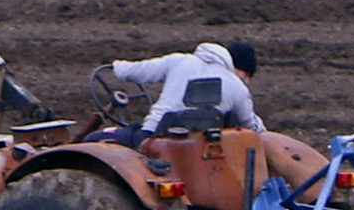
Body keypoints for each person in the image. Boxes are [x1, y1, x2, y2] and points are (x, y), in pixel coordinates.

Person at [95, 39, 260, 143]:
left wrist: (118, 66)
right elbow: (251, 125)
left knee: (93, 140)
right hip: (200, 147)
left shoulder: (179, 61)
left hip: (153, 136)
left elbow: (136, 71)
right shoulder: (237, 87)